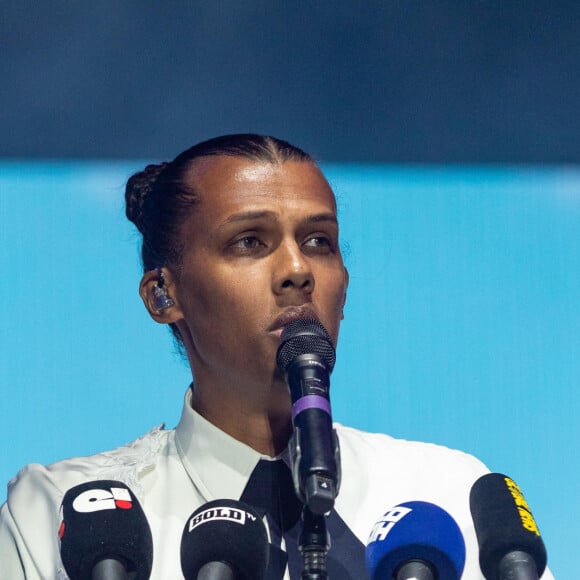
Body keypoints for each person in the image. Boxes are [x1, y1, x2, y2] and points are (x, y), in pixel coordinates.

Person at [0, 134, 553, 579]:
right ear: (163, 295)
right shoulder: (65, 512)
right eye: (250, 242)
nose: (298, 269)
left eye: (318, 241)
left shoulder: (446, 492)